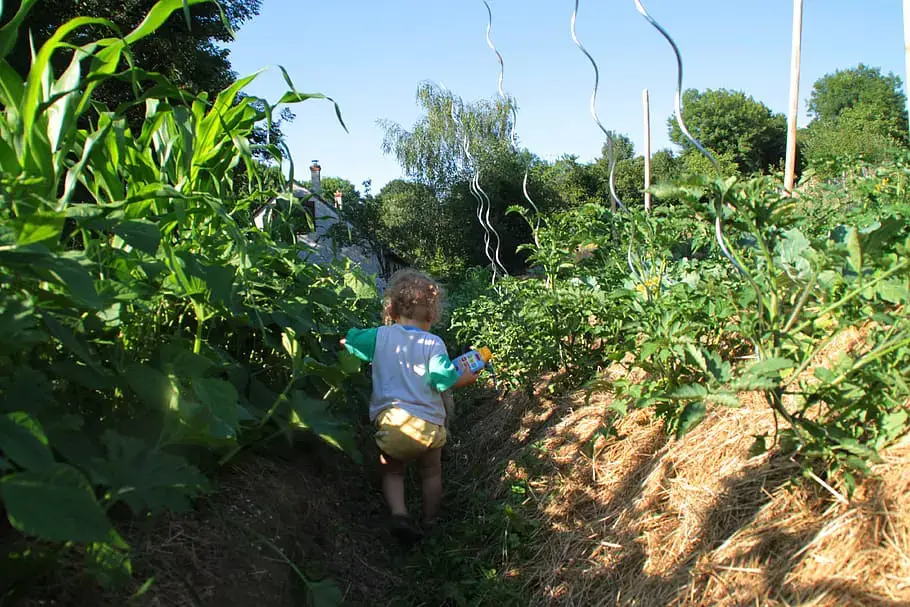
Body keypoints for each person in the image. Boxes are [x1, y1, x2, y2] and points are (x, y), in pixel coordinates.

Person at [341, 269, 479, 543]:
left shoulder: (379, 336)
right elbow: (443, 380)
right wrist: (466, 377)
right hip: (428, 427)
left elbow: (352, 341)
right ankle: (430, 521)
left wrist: (347, 341)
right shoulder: (433, 343)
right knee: (431, 473)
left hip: (392, 424)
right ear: (432, 315)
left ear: (391, 310)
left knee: (392, 471)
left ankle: (400, 514)